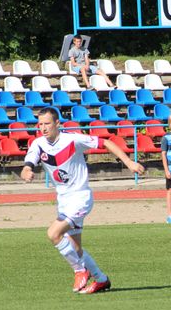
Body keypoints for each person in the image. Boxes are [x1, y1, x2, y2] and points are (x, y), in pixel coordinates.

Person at [20, 107, 145, 294]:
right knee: (75, 248)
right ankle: (101, 280)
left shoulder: (72, 139)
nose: (43, 128)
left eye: (47, 124)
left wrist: (129, 162)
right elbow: (29, 162)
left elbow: (106, 143)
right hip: (63, 200)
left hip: (80, 197)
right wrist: (26, 170)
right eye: (40, 124)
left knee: (53, 234)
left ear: (57, 124)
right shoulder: (38, 144)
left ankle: (79, 270)